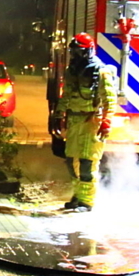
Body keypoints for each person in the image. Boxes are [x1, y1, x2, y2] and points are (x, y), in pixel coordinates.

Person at [51, 32, 117, 213]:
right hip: (74, 121)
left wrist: (106, 121)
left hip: (91, 122)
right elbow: (66, 95)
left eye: (78, 52)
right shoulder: (71, 71)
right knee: (71, 161)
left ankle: (87, 202)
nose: (75, 56)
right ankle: (78, 196)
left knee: (87, 163)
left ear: (87, 52)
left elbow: (110, 100)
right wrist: (59, 115)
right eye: (74, 52)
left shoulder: (101, 72)